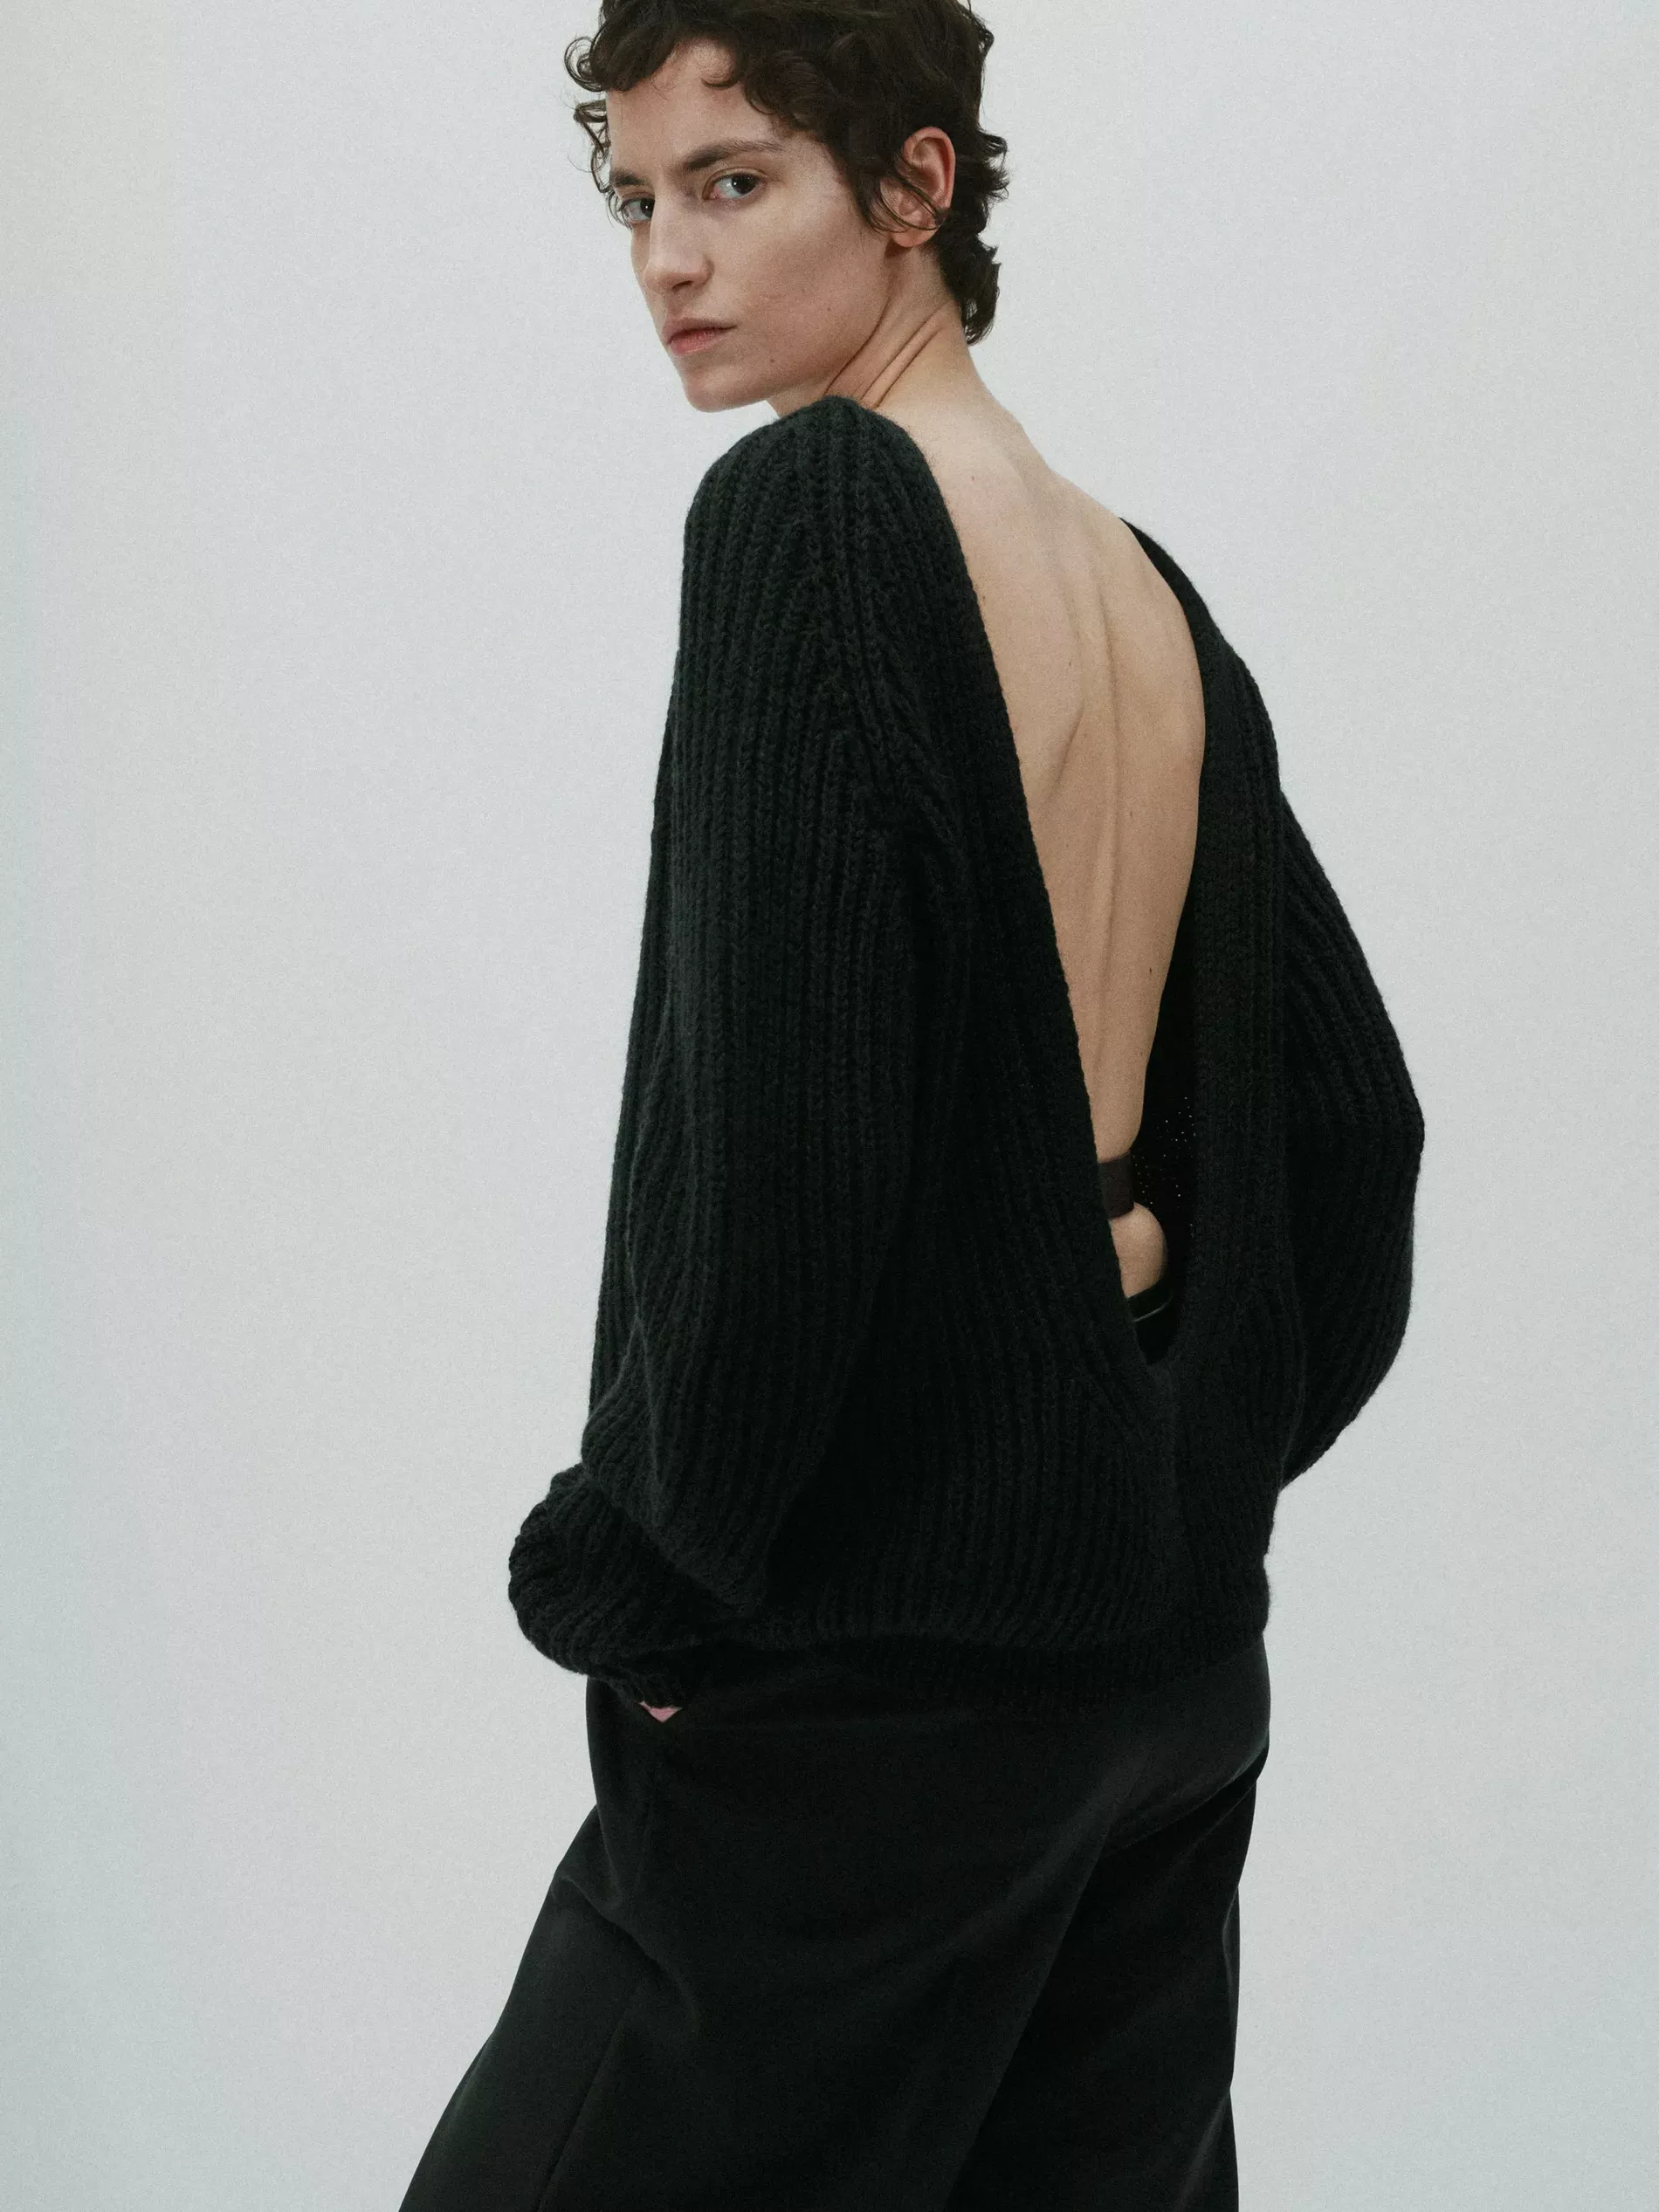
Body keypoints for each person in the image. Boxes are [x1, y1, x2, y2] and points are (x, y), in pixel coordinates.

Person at [398, 4, 1425, 2207]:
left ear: (913, 186)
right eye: (635, 197)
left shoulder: (816, 514)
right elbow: (1353, 1132)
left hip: (871, 1695)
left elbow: (786, 1155)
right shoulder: (1138, 586)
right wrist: (1167, 1484)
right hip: (1162, 1687)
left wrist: (642, 1576)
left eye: (733, 181)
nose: (668, 257)